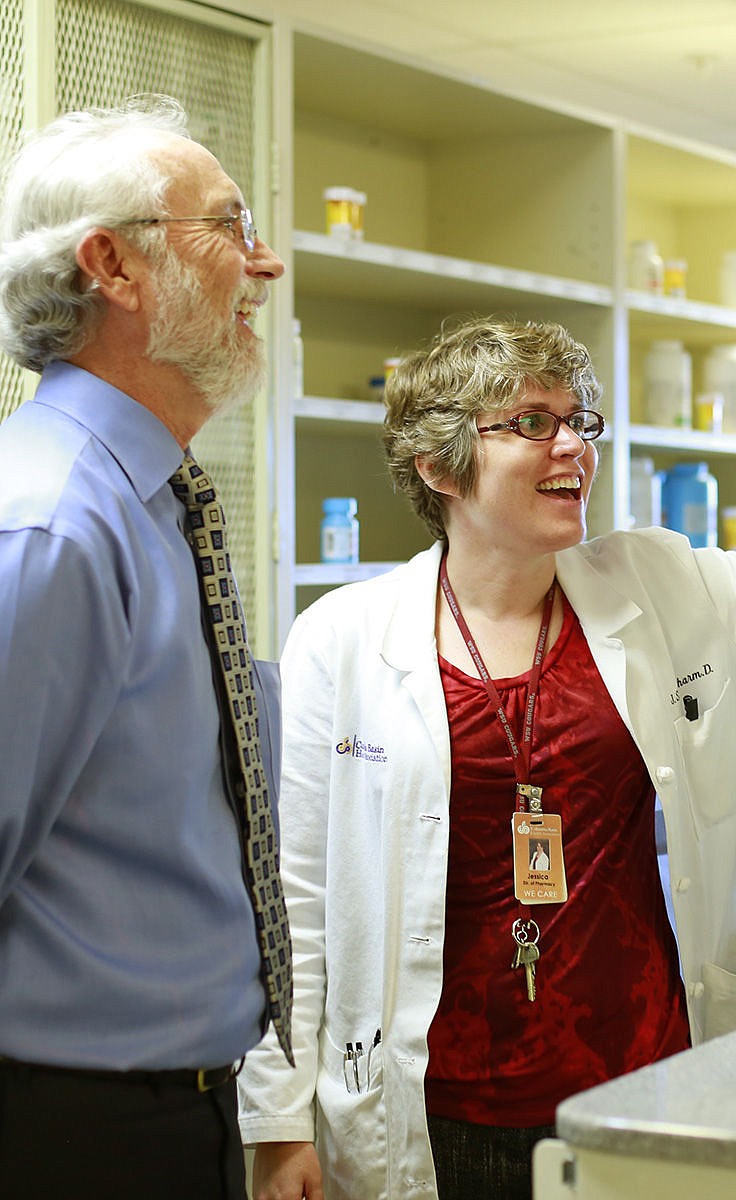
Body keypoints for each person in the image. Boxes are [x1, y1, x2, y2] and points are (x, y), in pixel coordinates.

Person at [239, 316, 736, 1200]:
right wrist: (277, 1122)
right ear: (439, 466)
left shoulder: (659, 587)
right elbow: (297, 897)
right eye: (534, 423)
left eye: (583, 420)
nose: (574, 446)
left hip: (638, 1085)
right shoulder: (343, 640)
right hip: (440, 1108)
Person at [0, 96, 292, 1199]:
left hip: (180, 1107)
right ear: (113, 267)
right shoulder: (50, 524)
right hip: (71, 1127)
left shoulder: (156, 505)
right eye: (229, 225)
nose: (263, 264)